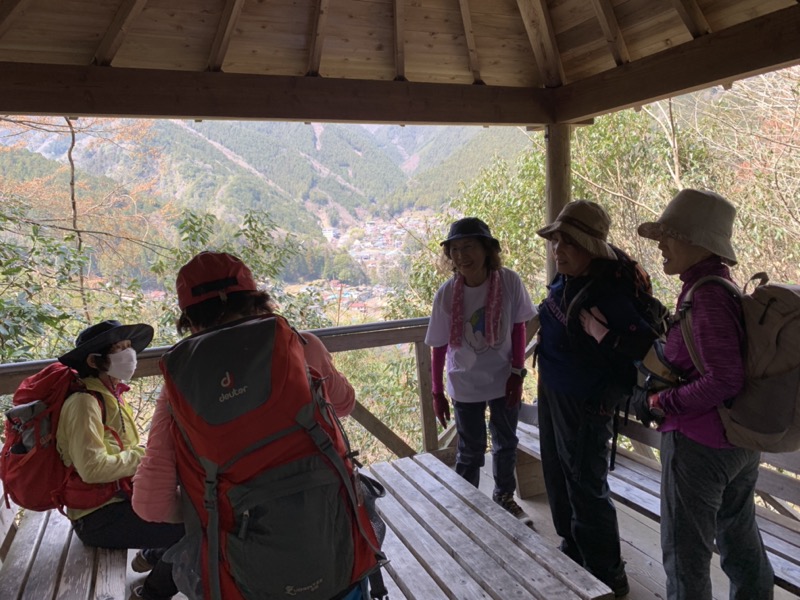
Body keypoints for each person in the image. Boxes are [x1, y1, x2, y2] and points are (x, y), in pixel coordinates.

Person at [132, 251, 364, 599]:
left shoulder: (180, 388)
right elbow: (345, 403)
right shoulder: (301, 347)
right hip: (336, 552)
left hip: (244, 576)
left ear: (191, 321)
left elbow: (150, 504)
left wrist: (211, 505)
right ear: (256, 300)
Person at [635, 189, 774, 599]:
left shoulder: (707, 296)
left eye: (669, 234)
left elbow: (724, 379)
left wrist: (664, 402)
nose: (661, 243)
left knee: (685, 557)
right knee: (739, 540)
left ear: (697, 242)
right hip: (735, 443)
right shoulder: (719, 288)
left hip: (700, 447)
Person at [535, 200, 659, 597]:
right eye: (556, 242)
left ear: (591, 247)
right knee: (556, 470)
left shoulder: (609, 294)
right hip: (556, 387)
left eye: (568, 243)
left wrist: (605, 334)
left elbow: (646, 346)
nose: (559, 251)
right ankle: (573, 549)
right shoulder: (570, 279)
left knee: (585, 483)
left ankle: (607, 574)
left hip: (586, 400)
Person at [56, 320, 184, 600]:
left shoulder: (110, 395)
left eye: (130, 347)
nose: (129, 355)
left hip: (118, 499)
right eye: (119, 349)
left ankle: (150, 557)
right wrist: (142, 456)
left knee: (196, 510)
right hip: (96, 518)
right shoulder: (84, 403)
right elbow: (91, 469)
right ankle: (151, 593)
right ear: (94, 360)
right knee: (191, 532)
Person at [424, 217, 537, 527]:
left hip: (503, 379)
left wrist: (517, 372)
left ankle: (503, 498)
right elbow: (438, 346)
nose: (461, 256)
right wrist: (436, 392)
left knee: (505, 442)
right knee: (470, 449)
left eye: (469, 247)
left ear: (487, 249)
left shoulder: (509, 282)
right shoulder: (447, 294)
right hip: (464, 383)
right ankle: (467, 504)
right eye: (455, 249)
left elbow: (518, 328)